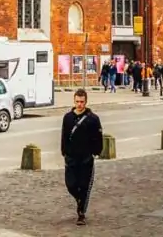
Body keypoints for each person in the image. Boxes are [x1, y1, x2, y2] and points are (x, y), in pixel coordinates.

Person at [61, 88, 103, 227]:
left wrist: (97, 151)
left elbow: (98, 137)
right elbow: (64, 136)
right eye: (77, 101)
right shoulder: (68, 118)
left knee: (84, 185)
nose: (79, 104)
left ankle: (81, 213)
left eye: (82, 102)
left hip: (86, 157)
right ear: (74, 101)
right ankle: (79, 200)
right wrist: (64, 151)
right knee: (71, 184)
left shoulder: (92, 119)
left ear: (86, 102)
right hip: (71, 157)